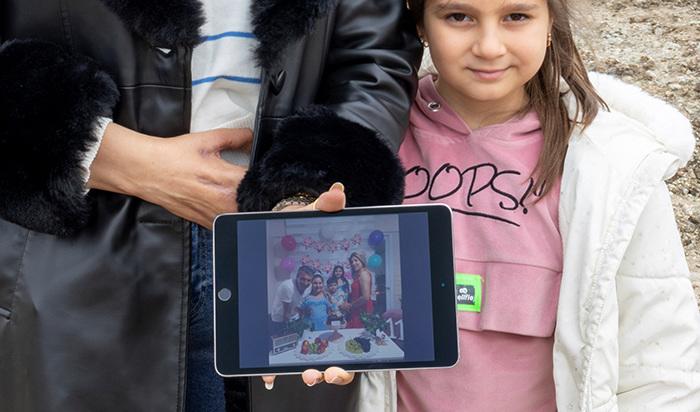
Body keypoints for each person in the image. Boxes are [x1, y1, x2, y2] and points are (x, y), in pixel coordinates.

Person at [0, 1, 421, 411]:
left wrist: (305, 192)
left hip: (275, 246)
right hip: (76, 256)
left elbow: (374, 62)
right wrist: (117, 157)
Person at [301, 0, 700, 409]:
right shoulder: (366, 145)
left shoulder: (615, 168)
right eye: (459, 17)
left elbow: (661, 370)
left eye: (516, 17)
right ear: (419, 23)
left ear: (551, 22)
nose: (489, 47)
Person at [270, 266, 314, 333]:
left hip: (293, 317)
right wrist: (289, 331)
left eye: (309, 280)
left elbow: (298, 304)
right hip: (279, 319)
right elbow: (286, 314)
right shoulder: (288, 287)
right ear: (297, 277)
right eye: (302, 279)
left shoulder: (309, 287)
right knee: (286, 338)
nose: (305, 283)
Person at [345, 251, 375, 328]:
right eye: (351, 262)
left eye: (356, 260)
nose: (353, 263)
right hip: (357, 308)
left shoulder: (364, 274)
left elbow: (365, 297)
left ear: (362, 260)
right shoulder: (358, 275)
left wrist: (350, 306)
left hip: (363, 309)